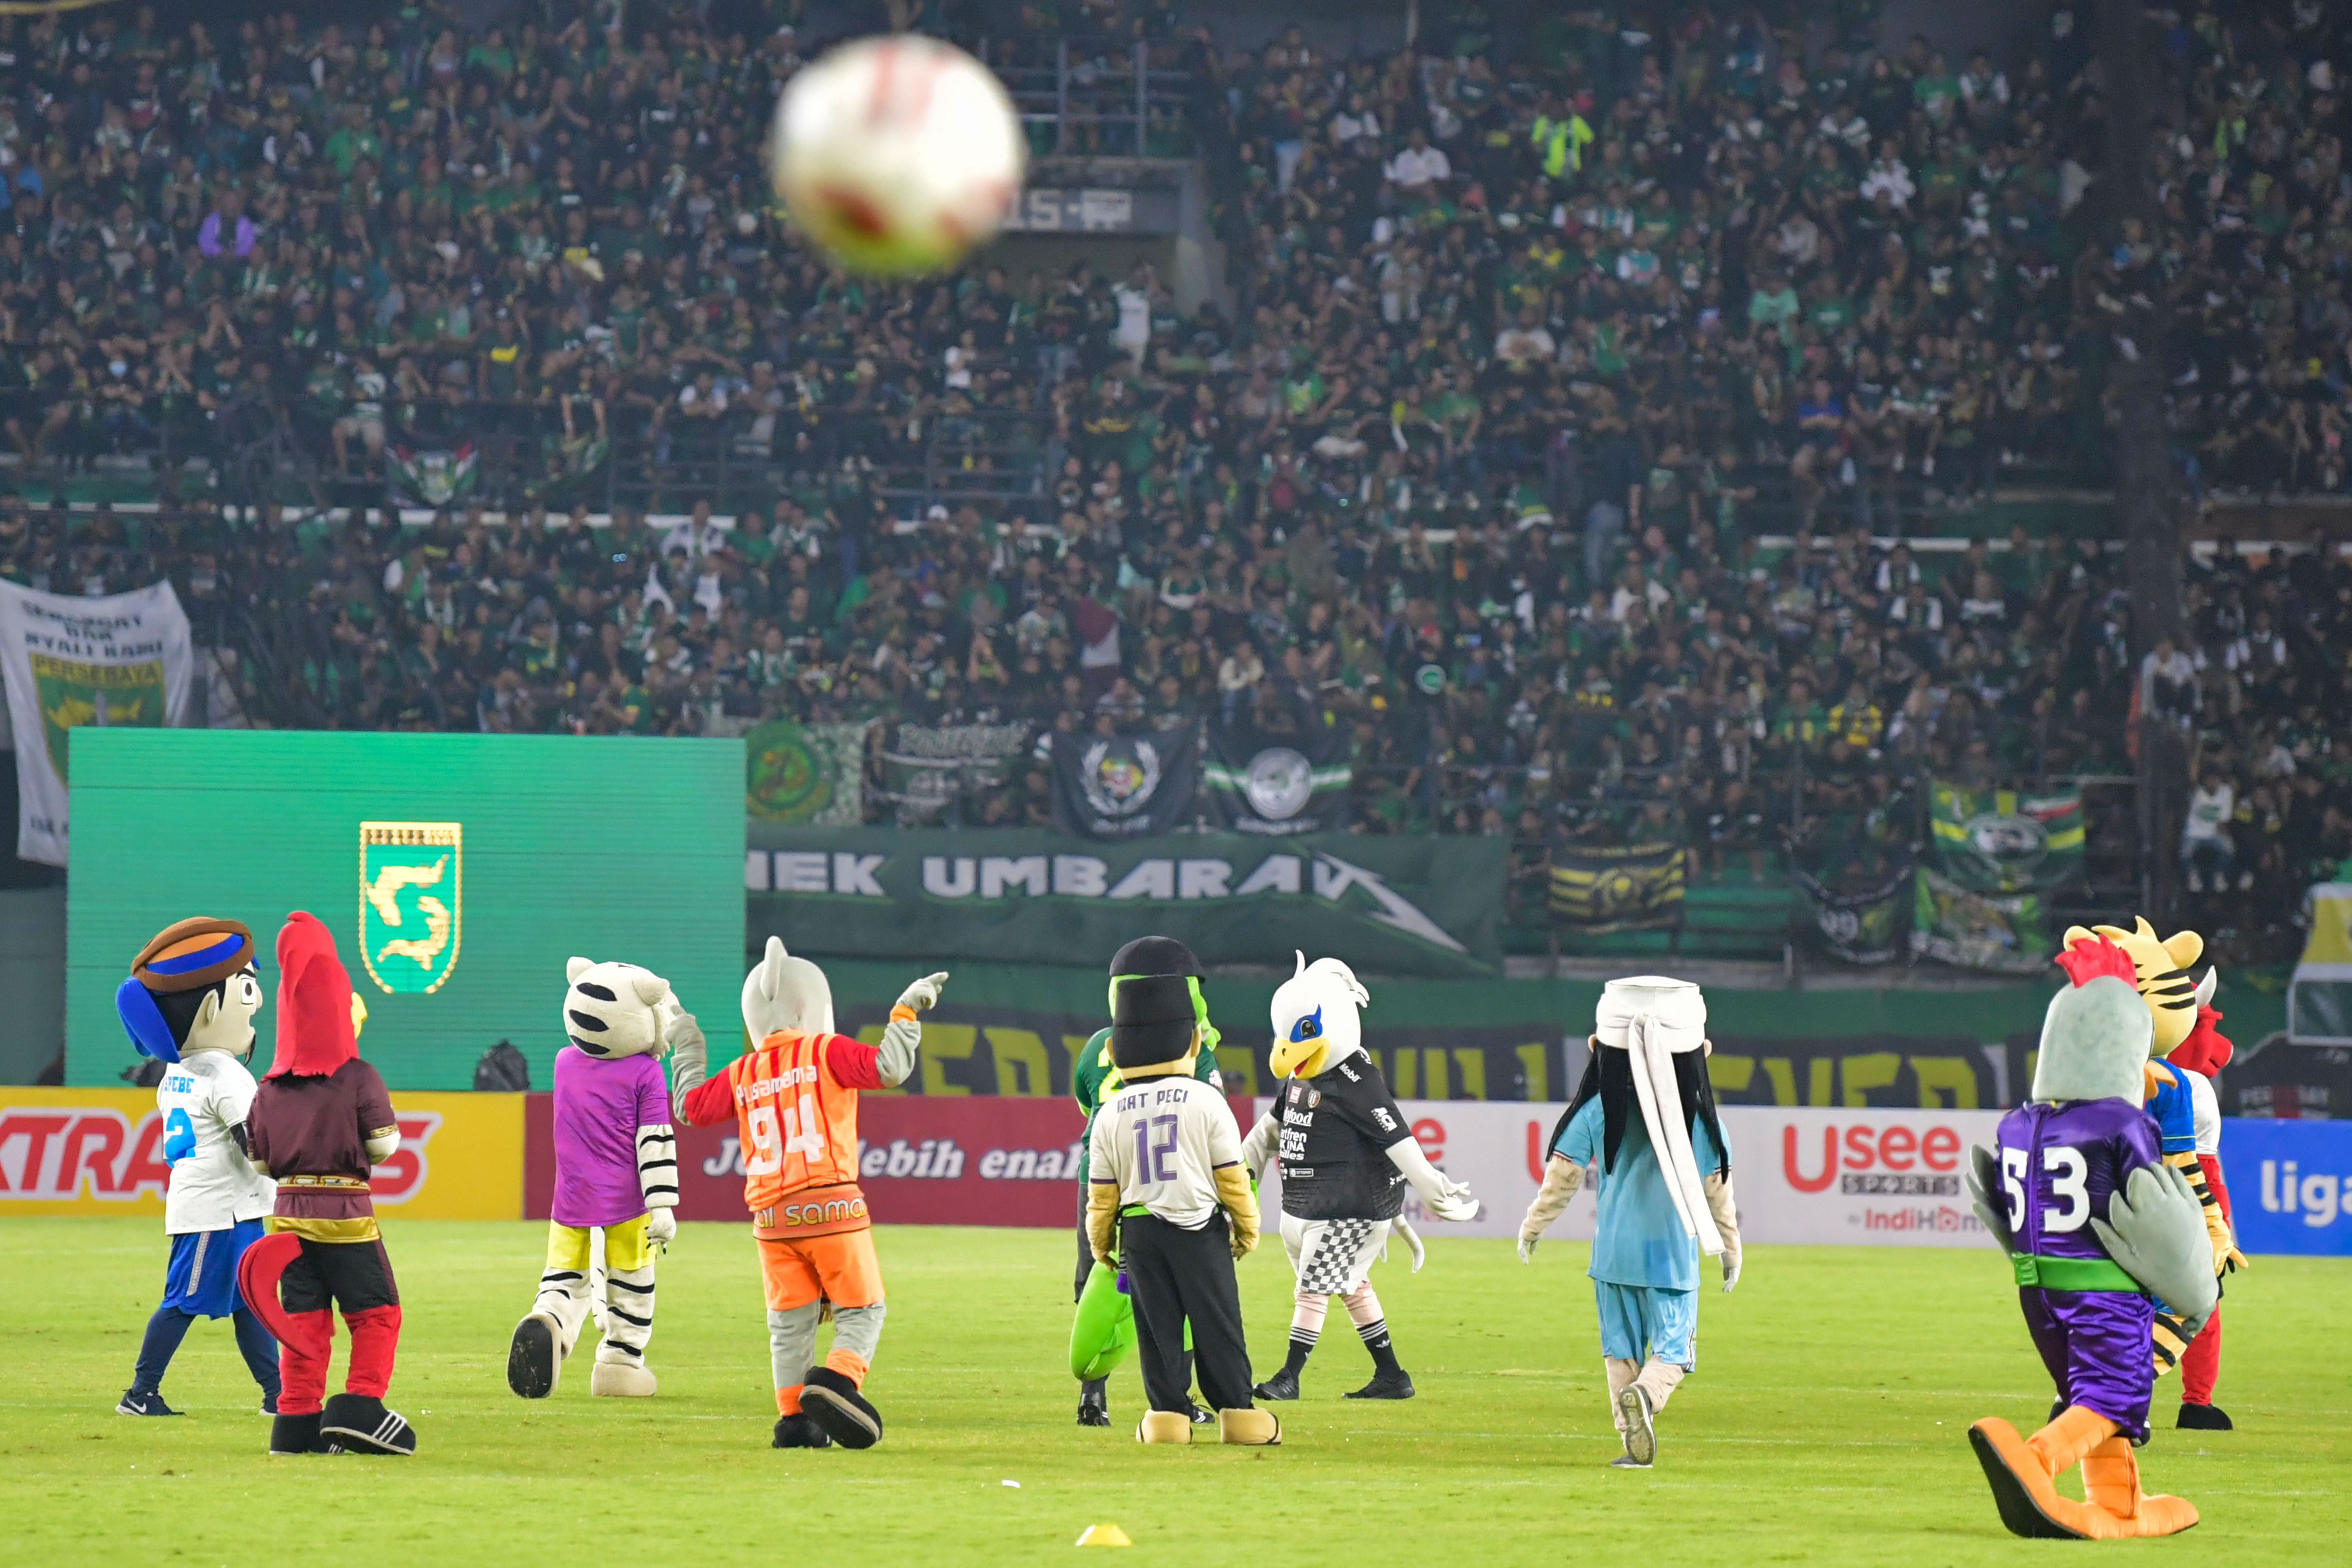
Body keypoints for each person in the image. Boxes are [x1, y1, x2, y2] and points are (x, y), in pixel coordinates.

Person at [1963, 935, 2217, 1538]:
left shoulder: (2018, 1122)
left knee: (2090, 1392)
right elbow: (2146, 1200)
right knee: (2115, 1395)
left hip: (2038, 1289)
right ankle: (2035, 1460)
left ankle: (2120, 1504)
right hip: (2103, 1286)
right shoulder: (2122, 1120)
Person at [671, 939, 947, 1449]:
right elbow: (890, 1067)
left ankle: (795, 1423)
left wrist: (687, 1041)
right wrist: (906, 1011)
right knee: (862, 1311)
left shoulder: (742, 1073)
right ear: (812, 1006)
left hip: (771, 1220)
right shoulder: (826, 1050)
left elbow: (690, 1108)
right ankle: (840, 1381)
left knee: (789, 1324)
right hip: (833, 1205)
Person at [1517, 976, 1741, 1468]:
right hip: (1671, 1256)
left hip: (1612, 1256)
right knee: (1674, 1352)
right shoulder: (1701, 1121)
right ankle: (1647, 1395)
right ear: (1701, 1050)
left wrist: (1533, 1226)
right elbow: (1717, 1191)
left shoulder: (1597, 1110)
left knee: (1618, 1350)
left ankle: (1630, 1442)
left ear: (1598, 1046)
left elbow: (1563, 1176)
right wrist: (1730, 1248)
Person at [1241, 953, 1476, 1402]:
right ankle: (1392, 1376)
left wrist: (1430, 1187)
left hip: (1345, 1209)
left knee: (1312, 1289)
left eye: (1302, 1033)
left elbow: (1395, 1136)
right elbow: (1273, 1126)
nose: (1285, 1050)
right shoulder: (1300, 1077)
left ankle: (1289, 1378)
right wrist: (1238, 1167)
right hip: (1310, 1204)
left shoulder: (1357, 1079)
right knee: (1351, 1286)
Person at [239, 914, 414, 1456]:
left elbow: (260, 1164)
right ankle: (360, 1405)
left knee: (304, 1320)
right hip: (346, 1216)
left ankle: (295, 1421)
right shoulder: (358, 1076)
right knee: (376, 1312)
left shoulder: (268, 1089)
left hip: (288, 1216)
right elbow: (384, 1145)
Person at [1084, 967, 1277, 1446]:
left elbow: (1102, 1195)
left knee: (1157, 1329)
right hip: (1198, 1229)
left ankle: (1167, 1419)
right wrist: (1248, 1229)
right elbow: (1232, 1177)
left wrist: (1101, 1244)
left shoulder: (1111, 1111)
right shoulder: (1206, 1099)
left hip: (1141, 1234)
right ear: (1192, 1043)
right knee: (1218, 1322)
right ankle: (1238, 1414)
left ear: (1114, 1052)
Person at [111, 918, 281, 1418]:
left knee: (251, 1302)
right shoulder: (228, 1073)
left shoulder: (177, 1071)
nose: (257, 1001)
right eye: (247, 987)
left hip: (226, 1206)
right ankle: (141, 1392)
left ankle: (277, 1394)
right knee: (183, 1301)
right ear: (212, 1007)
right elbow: (254, 1142)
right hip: (219, 1210)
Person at [507, 958, 685, 1400]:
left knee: (565, 1277)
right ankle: (619, 1366)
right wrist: (662, 1204)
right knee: (631, 1284)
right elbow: (654, 1140)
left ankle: (549, 1319)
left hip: (569, 1200)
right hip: (628, 1203)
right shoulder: (645, 1072)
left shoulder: (565, 1063)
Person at [1068, 935, 1225, 1429]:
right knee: (1178, 1288)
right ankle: (1176, 1400)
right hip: (1163, 1185)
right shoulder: (1191, 1042)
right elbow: (1208, 1110)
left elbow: (1085, 1101)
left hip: (1101, 1177)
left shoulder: (1098, 1044)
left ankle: (1093, 1397)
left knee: (1100, 1281)